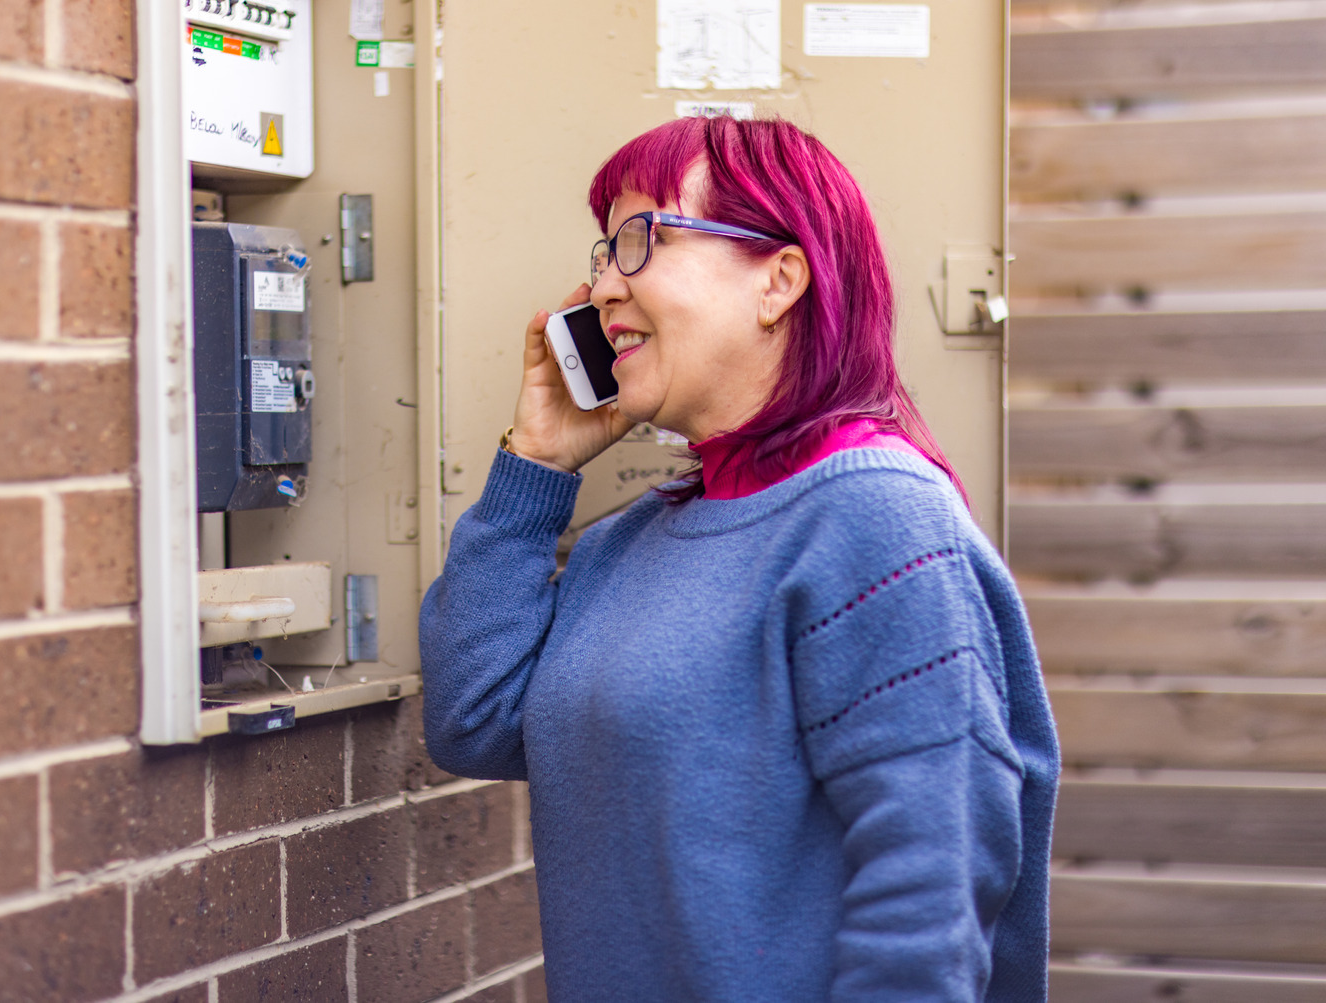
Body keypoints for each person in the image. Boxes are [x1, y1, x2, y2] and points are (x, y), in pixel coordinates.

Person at [418, 115, 1058, 1002]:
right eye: (604, 250)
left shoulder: (877, 519)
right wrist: (534, 468)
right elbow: (473, 719)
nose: (602, 285)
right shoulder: (628, 543)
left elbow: (931, 889)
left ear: (780, 280)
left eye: (644, 240)